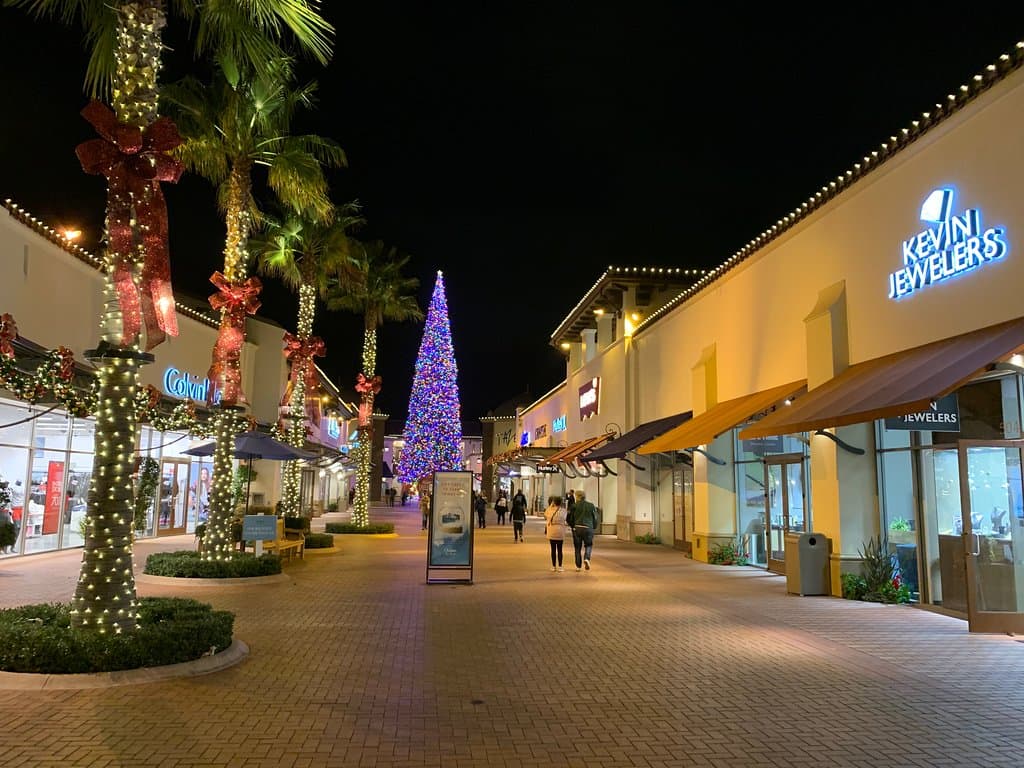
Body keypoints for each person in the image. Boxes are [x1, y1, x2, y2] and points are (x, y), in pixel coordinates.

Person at [570, 489, 600, 571]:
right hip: (588, 528)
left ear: (577, 497)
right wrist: (594, 526)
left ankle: (578, 566)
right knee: (588, 545)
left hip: (577, 528)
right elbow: (595, 518)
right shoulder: (591, 505)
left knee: (577, 548)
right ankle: (586, 558)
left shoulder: (574, 506)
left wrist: (572, 526)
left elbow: (570, 518)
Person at [544, 496, 568, 571]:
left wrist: (551, 505)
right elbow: (565, 518)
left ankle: (553, 566)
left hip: (551, 530)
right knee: (560, 549)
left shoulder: (549, 510)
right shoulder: (563, 511)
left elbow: (545, 514)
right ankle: (560, 566)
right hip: (560, 531)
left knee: (553, 549)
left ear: (553, 502)